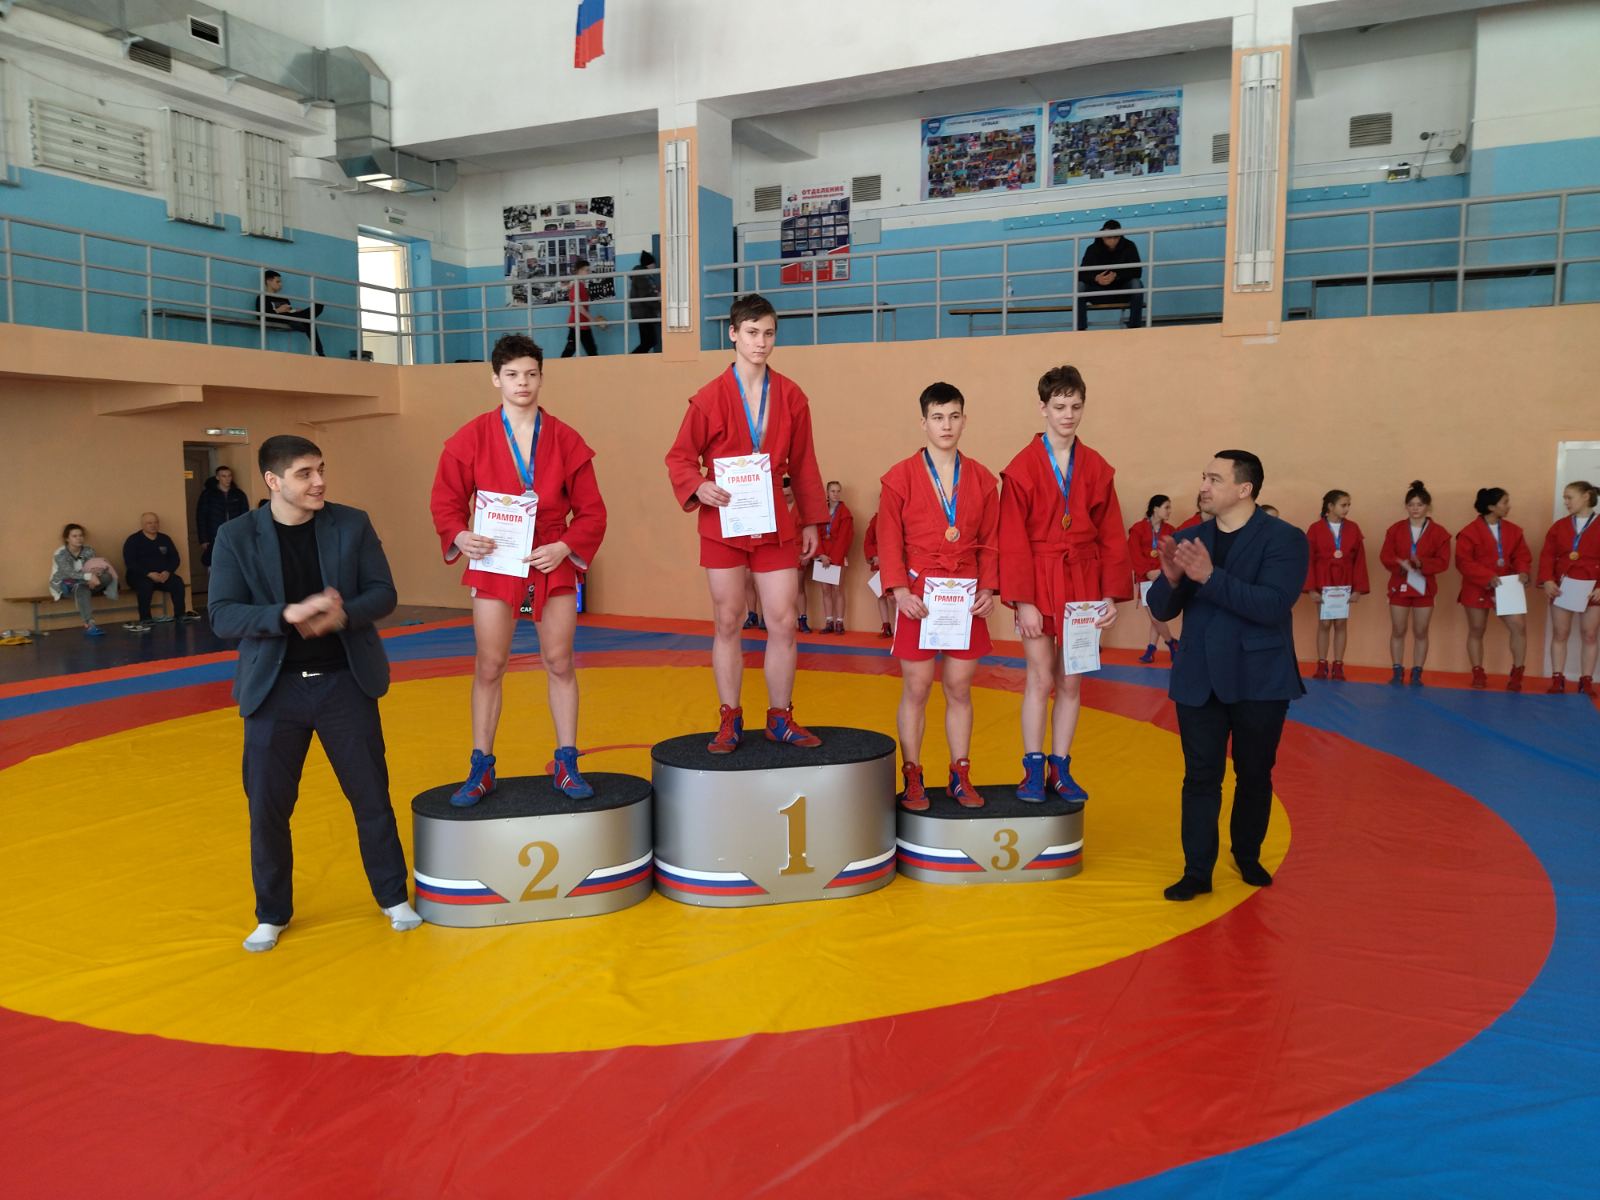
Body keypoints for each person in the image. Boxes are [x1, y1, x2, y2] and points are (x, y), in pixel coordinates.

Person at [207, 434, 420, 953]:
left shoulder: (352, 523)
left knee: (371, 797)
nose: (319, 481)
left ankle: (393, 897)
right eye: (305, 473)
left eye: (321, 469)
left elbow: (384, 593)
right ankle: (271, 913)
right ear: (273, 481)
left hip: (345, 683)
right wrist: (287, 614)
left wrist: (340, 614)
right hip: (273, 691)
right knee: (268, 809)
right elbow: (222, 615)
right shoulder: (236, 536)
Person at [429, 334, 609, 804]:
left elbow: (592, 512)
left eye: (530, 374)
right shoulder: (471, 437)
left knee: (560, 661)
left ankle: (566, 762)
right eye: (511, 375)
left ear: (541, 377)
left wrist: (564, 546)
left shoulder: (566, 439)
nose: (522, 383)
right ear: (496, 379)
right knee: (490, 665)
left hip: (550, 556)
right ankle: (481, 766)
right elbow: (446, 500)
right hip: (495, 558)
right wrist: (460, 535)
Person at [665, 293, 827, 752]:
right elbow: (679, 458)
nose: (761, 342)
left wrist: (812, 521)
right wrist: (698, 486)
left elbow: (805, 463)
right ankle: (730, 717)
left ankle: (780, 717)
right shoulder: (708, 399)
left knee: (784, 620)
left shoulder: (792, 396)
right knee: (727, 619)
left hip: (774, 519)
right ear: (733, 334)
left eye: (769, 333)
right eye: (752, 332)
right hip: (723, 520)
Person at [1146, 451, 1308, 902]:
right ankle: (1197, 870)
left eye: (1215, 479)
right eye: (1204, 477)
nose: (1204, 486)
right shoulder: (1189, 538)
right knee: (1200, 777)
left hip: (1260, 677)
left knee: (1254, 773)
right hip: (1199, 676)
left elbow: (1272, 605)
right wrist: (1171, 579)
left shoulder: (1285, 539)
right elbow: (1161, 609)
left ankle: (1247, 854)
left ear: (1244, 488)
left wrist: (1210, 577)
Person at [999, 364, 1130, 805]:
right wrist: (1023, 602)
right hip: (1038, 578)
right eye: (1059, 406)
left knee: (1071, 682)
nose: (1068, 415)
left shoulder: (1097, 467)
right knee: (1039, 678)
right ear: (1043, 408)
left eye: (1075, 406)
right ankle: (1033, 767)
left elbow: (1111, 534)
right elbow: (1012, 538)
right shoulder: (1021, 468)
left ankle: (1061, 766)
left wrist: (1109, 595)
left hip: (1083, 583)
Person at [878, 382, 1000, 810]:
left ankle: (960, 773)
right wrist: (899, 591)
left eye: (953, 416)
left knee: (960, 687)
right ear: (923, 422)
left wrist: (989, 588)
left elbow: (992, 540)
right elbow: (888, 539)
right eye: (937, 417)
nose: (946, 425)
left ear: (964, 420)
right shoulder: (899, 477)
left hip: (965, 593)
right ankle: (912, 774)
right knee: (916, 687)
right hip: (919, 593)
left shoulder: (983, 479)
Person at [1456, 487, 1532, 691]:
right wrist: (1486, 577)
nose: (1509, 506)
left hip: (1506, 585)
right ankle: (1478, 672)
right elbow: (1463, 562)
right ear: (1491, 507)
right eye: (1505, 502)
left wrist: (1523, 571)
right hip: (1477, 586)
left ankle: (1517, 672)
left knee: (1518, 626)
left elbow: (1522, 555)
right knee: (1477, 629)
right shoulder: (1469, 532)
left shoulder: (1514, 531)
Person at [1378, 480, 1452, 686]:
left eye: (1419, 504)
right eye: (1411, 505)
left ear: (1428, 506)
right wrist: (1399, 563)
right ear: (1406, 506)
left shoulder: (1439, 532)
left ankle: (1417, 671)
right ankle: (1397, 670)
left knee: (1421, 631)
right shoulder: (1395, 529)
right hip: (1400, 584)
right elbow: (1385, 555)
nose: (1415, 508)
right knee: (1398, 629)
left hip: (1424, 587)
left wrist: (1422, 563)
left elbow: (1443, 561)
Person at [1537, 479, 1600, 695]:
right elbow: (1547, 555)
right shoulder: (1559, 526)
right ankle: (1557, 678)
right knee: (1560, 633)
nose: (1565, 502)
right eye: (1564, 498)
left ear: (1586, 497)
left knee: (1590, 634)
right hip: (1563, 586)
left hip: (1593, 587)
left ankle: (1586, 680)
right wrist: (1547, 579)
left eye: (1569, 497)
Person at [1304, 489, 1370, 681]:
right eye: (1343, 505)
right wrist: (1311, 588)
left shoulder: (1353, 528)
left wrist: (1358, 589)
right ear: (1330, 506)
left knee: (1341, 623)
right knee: (1324, 623)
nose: (1347, 509)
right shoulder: (1315, 528)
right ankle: (1322, 663)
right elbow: (1308, 560)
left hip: (1344, 582)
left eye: (1348, 505)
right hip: (1323, 581)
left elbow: (1360, 560)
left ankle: (1338, 665)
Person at [121, 512, 200, 631]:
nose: (153, 525)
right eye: (149, 523)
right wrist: (149, 574)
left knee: (177, 582)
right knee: (145, 585)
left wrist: (167, 572)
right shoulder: (133, 540)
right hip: (139, 576)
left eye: (156, 522)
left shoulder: (165, 539)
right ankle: (145, 618)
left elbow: (175, 558)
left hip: (163, 576)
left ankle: (180, 614)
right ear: (142, 524)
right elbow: (130, 562)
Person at [1128, 495, 1179, 664]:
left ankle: (1150, 650)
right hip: (1146, 578)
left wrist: (1163, 571)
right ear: (1155, 508)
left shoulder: (1171, 530)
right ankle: (1171, 642)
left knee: (1156, 616)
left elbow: (1174, 554)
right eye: (1166, 507)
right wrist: (1147, 572)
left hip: (1163, 578)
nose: (1169, 511)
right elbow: (1133, 553)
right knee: (1155, 617)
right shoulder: (1137, 529)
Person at [49, 523, 118, 637]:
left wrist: (97, 572)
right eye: (74, 536)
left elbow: (92, 566)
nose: (79, 538)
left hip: (88, 582)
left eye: (80, 535)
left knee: (107, 576)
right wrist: (89, 577)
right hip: (65, 584)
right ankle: (90, 624)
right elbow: (69, 573)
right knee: (81, 588)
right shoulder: (60, 553)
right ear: (67, 538)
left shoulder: (88, 550)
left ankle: (85, 585)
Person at [1076, 219, 1144, 330]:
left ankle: (1134, 327)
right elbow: (1081, 275)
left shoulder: (1129, 246)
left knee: (1136, 284)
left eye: (1116, 237)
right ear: (1102, 236)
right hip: (1098, 292)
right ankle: (1080, 328)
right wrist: (1096, 278)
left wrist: (1116, 276)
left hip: (1121, 292)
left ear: (1120, 236)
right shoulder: (1092, 249)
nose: (1112, 241)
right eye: (1109, 237)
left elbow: (1137, 271)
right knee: (1079, 287)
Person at [815, 480, 854, 634]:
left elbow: (845, 538)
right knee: (825, 590)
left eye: (838, 491)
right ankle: (829, 621)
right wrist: (821, 554)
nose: (836, 494)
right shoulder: (820, 511)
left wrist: (833, 559)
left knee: (838, 589)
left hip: (837, 556)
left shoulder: (845, 512)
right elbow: (816, 534)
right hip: (823, 555)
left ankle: (839, 622)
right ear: (827, 493)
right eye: (833, 491)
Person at [259, 269, 325, 356]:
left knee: (319, 306)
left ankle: (300, 320)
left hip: (291, 316)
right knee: (309, 322)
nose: (281, 284)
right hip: (279, 318)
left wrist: (294, 311)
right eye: (278, 282)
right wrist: (278, 310)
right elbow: (260, 316)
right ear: (268, 281)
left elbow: (290, 311)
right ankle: (321, 353)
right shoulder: (262, 297)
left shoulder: (284, 299)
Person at [196, 465, 250, 567]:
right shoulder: (208, 494)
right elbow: (201, 517)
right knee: (215, 564)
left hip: (235, 536)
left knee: (235, 564)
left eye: (229, 476)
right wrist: (203, 539)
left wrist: (245, 536)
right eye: (224, 476)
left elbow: (245, 517)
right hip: (214, 536)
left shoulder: (239, 494)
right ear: (217, 477)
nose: (227, 479)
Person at [560, 259, 606, 358]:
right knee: (584, 351)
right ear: (580, 270)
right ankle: (557, 366)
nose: (589, 273)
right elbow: (579, 307)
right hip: (578, 323)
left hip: (582, 323)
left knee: (588, 350)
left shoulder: (579, 285)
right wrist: (592, 319)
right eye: (587, 270)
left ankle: (558, 365)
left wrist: (590, 320)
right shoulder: (577, 285)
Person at [862, 512, 894, 638]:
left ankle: (900, 627)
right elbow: (868, 541)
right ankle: (886, 626)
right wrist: (874, 555)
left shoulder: (898, 517)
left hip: (893, 563)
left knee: (893, 597)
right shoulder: (876, 519)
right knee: (880, 595)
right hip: (878, 563)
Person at [629, 250, 661, 353]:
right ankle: (631, 359)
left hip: (643, 313)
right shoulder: (642, 276)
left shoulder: (642, 275)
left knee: (648, 341)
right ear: (649, 264)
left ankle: (635, 360)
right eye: (653, 263)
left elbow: (646, 293)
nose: (655, 266)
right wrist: (659, 306)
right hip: (644, 313)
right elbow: (646, 295)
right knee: (649, 341)